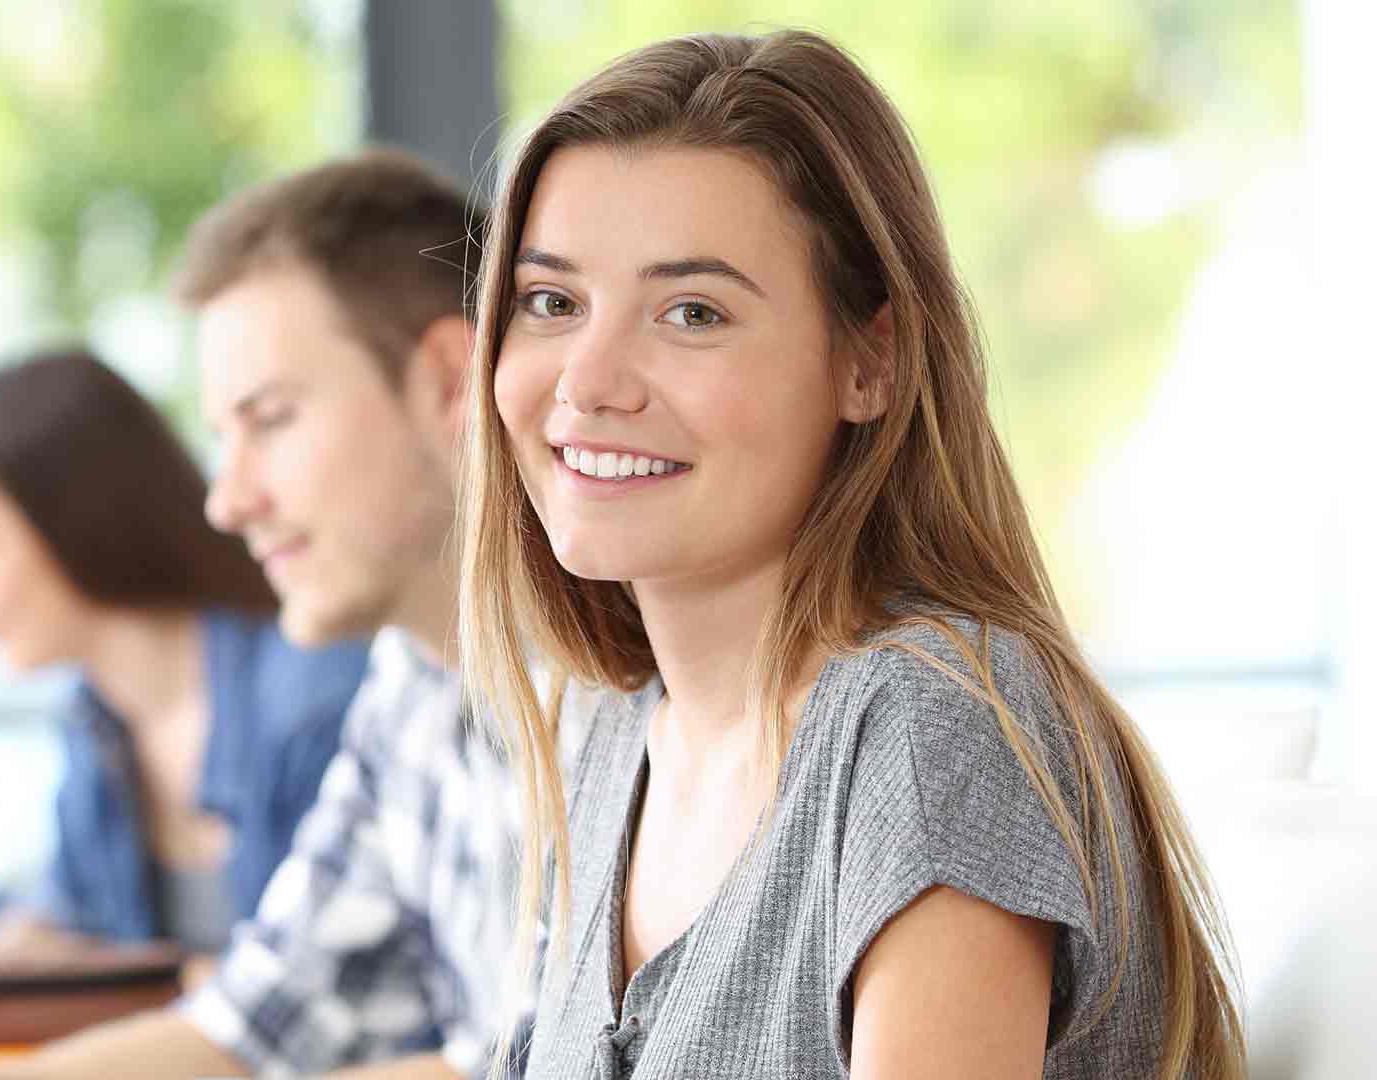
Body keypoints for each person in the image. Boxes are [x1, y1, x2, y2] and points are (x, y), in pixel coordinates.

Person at [462, 31, 1246, 1079]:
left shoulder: (929, 728)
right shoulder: (616, 735)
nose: (589, 381)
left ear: (868, 363)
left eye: (692, 313)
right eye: (551, 303)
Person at [0, 150, 520, 1080]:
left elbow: (511, 1067)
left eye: (272, 418)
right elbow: (252, 1024)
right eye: (224, 435)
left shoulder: (607, 698)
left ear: (450, 384)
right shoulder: (410, 690)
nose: (228, 500)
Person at [0, 347, 368, 991]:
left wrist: (116, 984)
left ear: (76, 525)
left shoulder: (316, 700)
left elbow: (318, 998)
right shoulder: (97, 724)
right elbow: (74, 926)